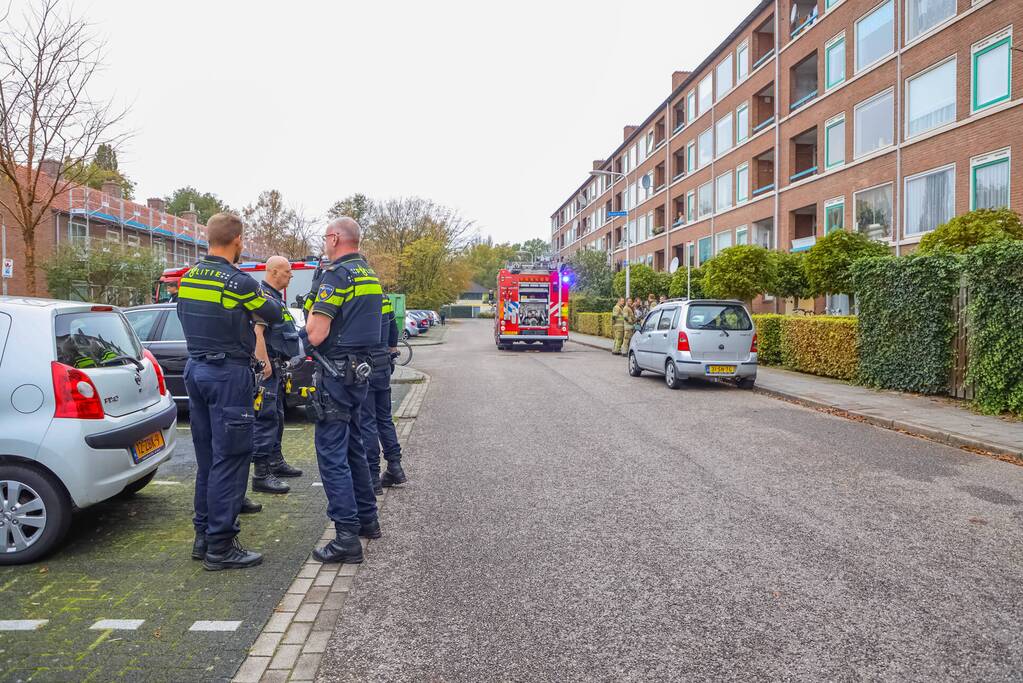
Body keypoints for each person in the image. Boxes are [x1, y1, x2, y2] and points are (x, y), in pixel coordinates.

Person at [177, 212, 283, 571]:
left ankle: (203, 536)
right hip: (228, 375)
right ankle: (222, 546)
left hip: (196, 370)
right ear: (238, 240)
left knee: (207, 458)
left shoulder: (189, 277)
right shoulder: (240, 282)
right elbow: (275, 313)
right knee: (233, 458)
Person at [302, 217, 382, 564]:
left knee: (332, 454)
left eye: (325, 237)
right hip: (359, 374)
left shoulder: (337, 276)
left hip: (335, 374)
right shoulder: (368, 274)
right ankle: (367, 520)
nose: (324, 243)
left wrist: (303, 328)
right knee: (354, 448)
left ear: (335, 238)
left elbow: (316, 333)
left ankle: (346, 537)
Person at [251, 256, 304, 497]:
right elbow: (257, 333)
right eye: (287, 271)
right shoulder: (262, 298)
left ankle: (276, 462)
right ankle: (261, 475)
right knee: (266, 418)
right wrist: (264, 365)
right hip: (268, 367)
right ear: (273, 272)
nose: (291, 275)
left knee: (278, 416)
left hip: (277, 366)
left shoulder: (273, 297)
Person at [360, 295, 406, 496]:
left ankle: (372, 476)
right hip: (383, 364)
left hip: (365, 365)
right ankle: (395, 467)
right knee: (385, 419)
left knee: (367, 422)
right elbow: (393, 328)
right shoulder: (382, 296)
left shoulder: (356, 294)